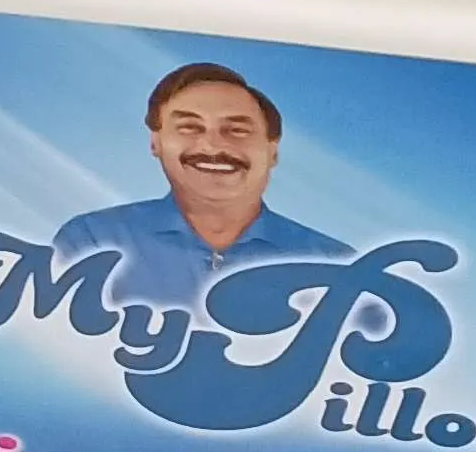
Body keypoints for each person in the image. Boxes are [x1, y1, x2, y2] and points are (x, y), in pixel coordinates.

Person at [50, 63, 345, 307]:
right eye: (189, 127)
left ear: (273, 151)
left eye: (237, 130)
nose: (212, 145)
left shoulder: (337, 266)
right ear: (156, 143)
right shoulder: (93, 240)